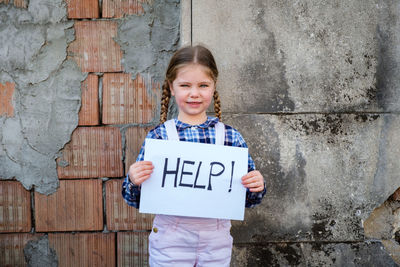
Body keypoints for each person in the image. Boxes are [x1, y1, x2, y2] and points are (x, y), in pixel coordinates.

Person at [122, 45, 266, 266]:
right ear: (172, 87)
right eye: (185, 85)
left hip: (216, 244)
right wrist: (134, 179)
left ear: (213, 86)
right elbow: (135, 199)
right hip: (170, 242)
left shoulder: (230, 137)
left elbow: (247, 200)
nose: (194, 93)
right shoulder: (160, 138)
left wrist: (256, 185)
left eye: (203, 85)